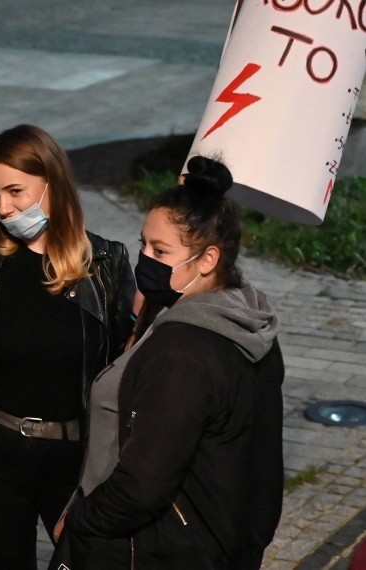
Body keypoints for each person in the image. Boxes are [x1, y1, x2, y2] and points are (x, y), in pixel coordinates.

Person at [57, 156, 285, 569]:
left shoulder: (183, 353)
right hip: (222, 540)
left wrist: (80, 520)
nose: (144, 258)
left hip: (157, 550)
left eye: (160, 250)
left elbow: (143, 486)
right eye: (143, 243)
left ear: (207, 260)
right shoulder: (247, 318)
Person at [0, 124, 136, 569]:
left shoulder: (105, 264)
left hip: (76, 467)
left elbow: (125, 378)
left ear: (52, 182)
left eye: (15, 191)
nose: (4, 208)